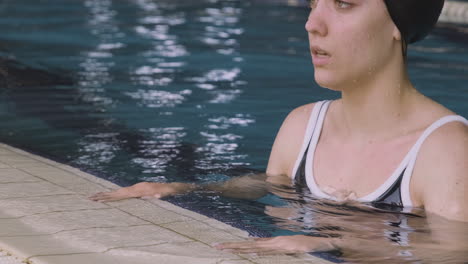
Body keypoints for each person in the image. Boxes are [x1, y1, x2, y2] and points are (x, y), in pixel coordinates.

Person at [90, 0, 468, 257]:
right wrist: (185, 190)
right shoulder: (302, 126)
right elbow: (272, 185)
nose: (312, 23)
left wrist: (337, 243)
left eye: (343, 3)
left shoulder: (444, 151)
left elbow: (453, 252)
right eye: (312, 3)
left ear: (398, 25)